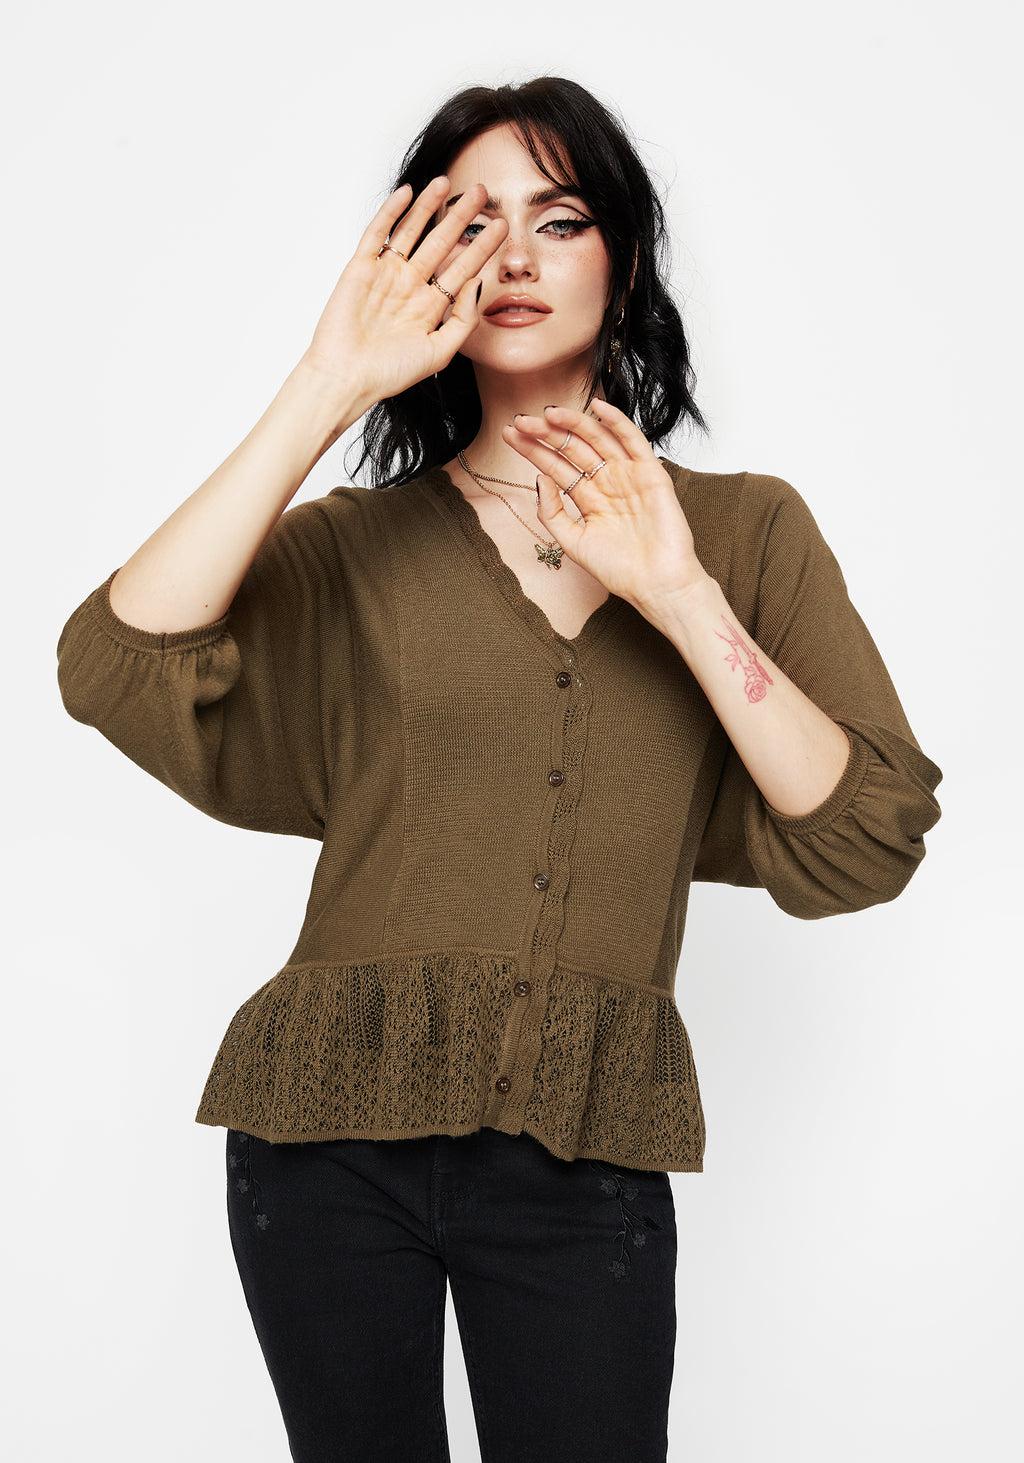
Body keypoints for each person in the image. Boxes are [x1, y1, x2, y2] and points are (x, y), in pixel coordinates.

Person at [55, 76, 944, 1463]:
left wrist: (678, 592)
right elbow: (116, 661)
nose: (517, 257)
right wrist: (328, 383)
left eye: (561, 219)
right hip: (322, 1141)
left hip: (586, 1160)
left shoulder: (745, 534)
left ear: (624, 261)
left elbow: (866, 831)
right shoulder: (357, 546)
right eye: (475, 223)